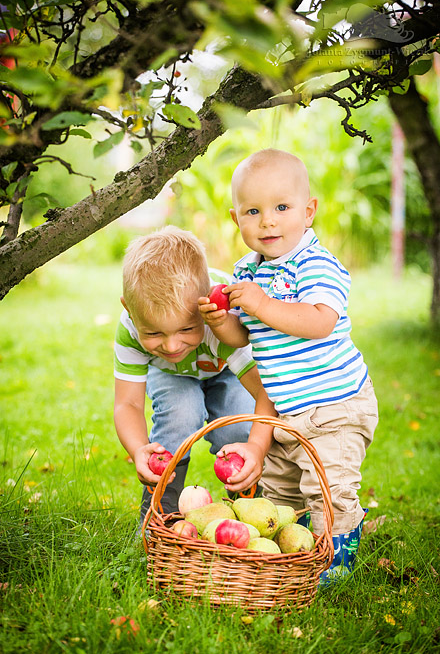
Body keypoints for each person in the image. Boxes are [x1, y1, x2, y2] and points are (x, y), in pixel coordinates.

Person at [198, 149, 378, 582]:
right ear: (236, 217)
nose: (268, 221)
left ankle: (337, 557)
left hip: (335, 405)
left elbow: (319, 322)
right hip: (283, 411)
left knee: (327, 488)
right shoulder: (246, 270)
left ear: (308, 211)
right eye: (253, 211)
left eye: (282, 207)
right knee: (278, 491)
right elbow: (245, 338)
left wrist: (261, 302)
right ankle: (289, 552)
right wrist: (223, 322)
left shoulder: (316, 263)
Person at [113, 225, 274, 527]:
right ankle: (161, 517)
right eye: (154, 333)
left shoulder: (220, 319)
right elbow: (128, 405)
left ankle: (250, 516)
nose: (172, 345)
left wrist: (257, 448)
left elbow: (265, 392)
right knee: (180, 414)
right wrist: (138, 450)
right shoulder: (131, 328)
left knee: (237, 426)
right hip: (172, 375)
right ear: (130, 310)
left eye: (186, 329)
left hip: (226, 369)